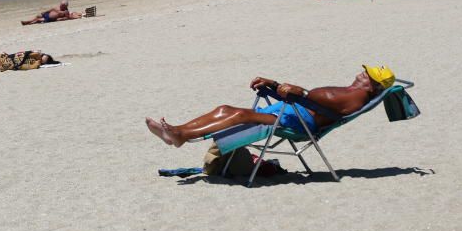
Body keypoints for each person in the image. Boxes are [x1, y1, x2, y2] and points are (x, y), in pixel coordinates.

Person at [145, 66, 396, 147]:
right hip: (294, 109)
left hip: (300, 123)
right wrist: (276, 85)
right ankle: (177, 130)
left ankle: (182, 136)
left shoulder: (357, 97)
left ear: (373, 86)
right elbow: (316, 99)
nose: (361, 74)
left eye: (367, 76)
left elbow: (327, 107)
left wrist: (302, 93)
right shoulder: (353, 90)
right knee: (225, 108)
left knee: (241, 115)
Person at [20, 1, 92, 25]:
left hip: (50, 19)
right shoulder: (57, 7)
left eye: (62, 5)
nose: (61, 5)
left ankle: (28, 23)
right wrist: (44, 12)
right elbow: (50, 9)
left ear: (65, 6)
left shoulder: (65, 11)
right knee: (37, 16)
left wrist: (61, 19)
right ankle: (28, 21)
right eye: (61, 4)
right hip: (47, 14)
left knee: (38, 20)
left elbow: (68, 18)